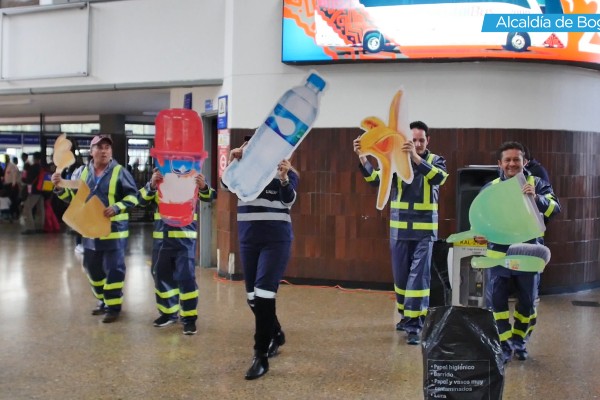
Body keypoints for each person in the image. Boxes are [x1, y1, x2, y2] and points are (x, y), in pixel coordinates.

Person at [353, 121, 449, 345]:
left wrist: (416, 159)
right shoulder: (395, 159)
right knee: (401, 278)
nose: (417, 144)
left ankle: (415, 325)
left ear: (428, 141)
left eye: (421, 140)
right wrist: (363, 158)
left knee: (418, 278)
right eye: (413, 140)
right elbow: (376, 180)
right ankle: (407, 316)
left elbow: (440, 178)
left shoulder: (435, 161)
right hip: (399, 231)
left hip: (425, 232)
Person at [475, 141, 560, 364]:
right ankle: (504, 345)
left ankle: (519, 342)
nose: (512, 164)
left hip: (528, 253)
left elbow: (555, 208)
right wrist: (480, 233)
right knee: (497, 303)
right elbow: (481, 219)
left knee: (527, 302)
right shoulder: (490, 188)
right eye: (508, 160)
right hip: (498, 254)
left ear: (525, 162)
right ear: (499, 164)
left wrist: (537, 199)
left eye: (516, 159)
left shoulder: (537, 183)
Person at [226, 136, 298, 380]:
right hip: (249, 240)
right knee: (252, 298)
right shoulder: (241, 173)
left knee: (264, 295)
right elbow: (226, 184)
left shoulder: (283, 170)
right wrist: (233, 161)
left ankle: (260, 356)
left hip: (276, 241)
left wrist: (285, 178)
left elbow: (289, 200)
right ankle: (275, 333)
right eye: (248, 146)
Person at [52, 135, 139, 323]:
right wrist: (59, 188)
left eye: (107, 147)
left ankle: (113, 307)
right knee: (92, 269)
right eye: (99, 148)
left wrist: (116, 207)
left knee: (114, 269)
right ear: (91, 152)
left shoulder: (119, 172)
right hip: (90, 230)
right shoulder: (82, 172)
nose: (104, 151)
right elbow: (73, 197)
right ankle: (103, 300)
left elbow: (134, 197)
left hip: (114, 231)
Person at [137, 168, 215, 335]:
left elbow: (210, 197)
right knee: (161, 275)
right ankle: (168, 313)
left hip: (185, 239)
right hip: (162, 238)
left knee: (186, 277)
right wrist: (151, 184)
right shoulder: (159, 173)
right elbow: (142, 201)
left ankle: (189, 319)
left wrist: (203, 187)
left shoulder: (195, 174)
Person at [21, 152, 45, 234]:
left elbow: (27, 180)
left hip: (34, 191)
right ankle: (40, 227)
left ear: (34, 158)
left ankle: (30, 228)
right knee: (40, 210)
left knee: (27, 209)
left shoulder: (33, 167)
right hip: (41, 191)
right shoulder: (42, 167)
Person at [3, 156, 21, 221]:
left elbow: (14, 176)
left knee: (13, 200)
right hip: (8, 185)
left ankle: (16, 213)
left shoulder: (12, 166)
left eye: (6, 158)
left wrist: (13, 185)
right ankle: (12, 213)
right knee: (11, 200)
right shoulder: (7, 166)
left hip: (12, 185)